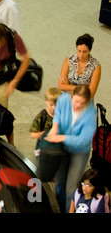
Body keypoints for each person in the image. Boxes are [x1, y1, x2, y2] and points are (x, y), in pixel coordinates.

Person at [45, 85, 97, 213]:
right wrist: (55, 126)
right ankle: (59, 208)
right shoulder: (63, 99)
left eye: (82, 103)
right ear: (71, 96)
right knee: (59, 183)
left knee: (71, 189)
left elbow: (83, 140)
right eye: (76, 101)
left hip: (80, 150)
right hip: (62, 147)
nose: (78, 105)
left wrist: (62, 138)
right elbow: (58, 114)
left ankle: (70, 210)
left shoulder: (90, 114)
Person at [29, 87, 65, 210]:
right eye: (51, 104)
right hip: (42, 151)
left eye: (57, 105)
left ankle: (59, 202)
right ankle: (35, 201)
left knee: (58, 176)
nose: (54, 108)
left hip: (58, 151)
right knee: (39, 175)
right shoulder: (42, 116)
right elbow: (32, 134)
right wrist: (42, 134)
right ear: (45, 101)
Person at [58, 33, 101, 98]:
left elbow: (91, 93)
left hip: (84, 101)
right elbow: (61, 86)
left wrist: (68, 85)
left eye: (84, 52)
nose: (81, 55)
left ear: (90, 50)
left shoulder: (96, 66)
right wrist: (84, 89)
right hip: (67, 97)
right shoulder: (68, 60)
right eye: (79, 51)